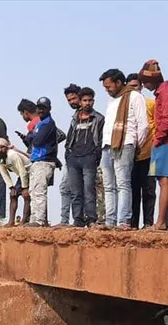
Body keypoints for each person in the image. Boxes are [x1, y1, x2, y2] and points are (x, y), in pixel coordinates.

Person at [99, 69, 149, 230]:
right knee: (108, 185)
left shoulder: (135, 96)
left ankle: (123, 221)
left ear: (119, 83)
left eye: (109, 86)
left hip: (125, 143)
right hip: (107, 145)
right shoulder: (111, 100)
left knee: (123, 183)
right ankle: (110, 220)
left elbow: (143, 125)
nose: (107, 89)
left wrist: (134, 145)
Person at [139, 60, 168, 231]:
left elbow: (166, 121)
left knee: (164, 181)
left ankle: (161, 222)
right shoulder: (165, 91)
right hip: (165, 141)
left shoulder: (165, 93)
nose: (145, 85)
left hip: (165, 142)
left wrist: (157, 140)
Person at [64, 84, 105, 227]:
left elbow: (100, 140)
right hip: (74, 158)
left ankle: (91, 219)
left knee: (89, 191)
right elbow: (69, 138)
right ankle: (78, 220)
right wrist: (68, 154)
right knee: (75, 192)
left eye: (90, 100)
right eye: (85, 100)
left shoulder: (98, 118)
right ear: (80, 102)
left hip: (89, 158)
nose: (88, 103)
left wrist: (96, 156)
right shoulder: (75, 118)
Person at [126, 73, 157, 229]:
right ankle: (132, 224)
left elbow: (158, 126)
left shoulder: (150, 104)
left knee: (149, 190)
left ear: (141, 86)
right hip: (131, 156)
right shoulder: (124, 108)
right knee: (132, 190)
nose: (133, 90)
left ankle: (148, 223)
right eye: (130, 87)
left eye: (136, 86)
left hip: (150, 154)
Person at [25, 97, 59, 227]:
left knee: (39, 191)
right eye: (39, 108)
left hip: (44, 160)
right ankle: (35, 219)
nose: (40, 110)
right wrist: (32, 137)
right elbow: (32, 138)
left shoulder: (48, 123)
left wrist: (32, 136)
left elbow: (37, 141)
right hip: (37, 160)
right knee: (34, 191)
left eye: (43, 108)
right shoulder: (41, 123)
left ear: (49, 108)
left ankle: (39, 220)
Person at [0, 138, 31, 226]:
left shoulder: (12, 155)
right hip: (22, 175)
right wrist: (11, 187)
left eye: (2, 147)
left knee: (26, 196)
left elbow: (23, 171)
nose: (0, 150)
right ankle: (11, 221)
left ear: (6, 147)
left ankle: (24, 221)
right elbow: (4, 173)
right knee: (13, 196)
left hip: (30, 171)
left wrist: (25, 188)